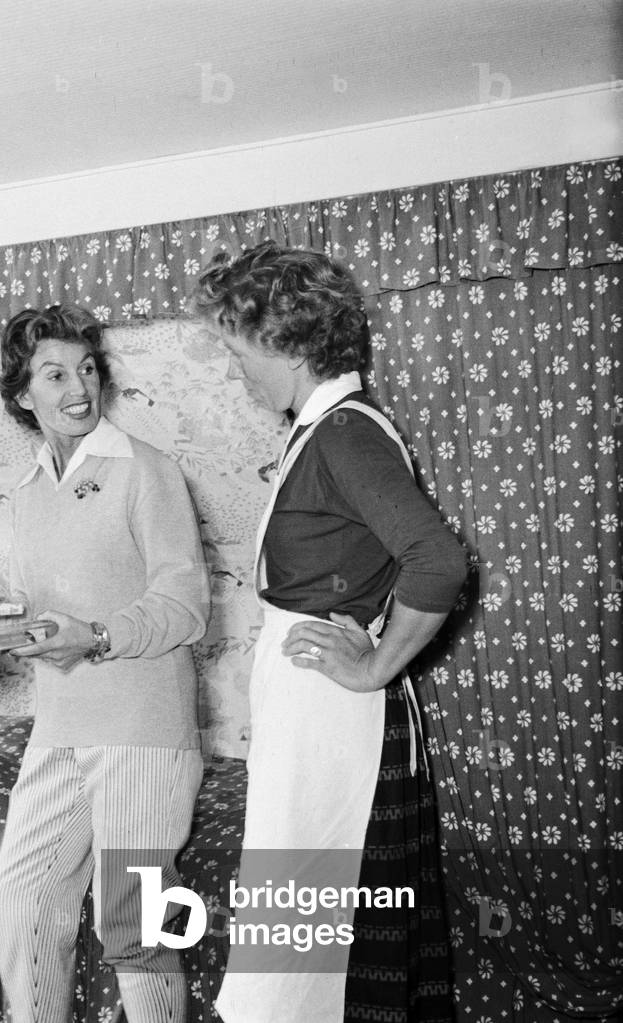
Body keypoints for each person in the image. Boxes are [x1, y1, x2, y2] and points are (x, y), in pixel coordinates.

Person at [191, 242, 466, 1023]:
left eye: (237, 349)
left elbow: (437, 561)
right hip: (308, 714)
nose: (235, 369)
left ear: (285, 344)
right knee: (304, 929)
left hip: (337, 722)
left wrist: (375, 665)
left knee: (323, 935)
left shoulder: (344, 433)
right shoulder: (321, 427)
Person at [0, 303, 210, 1023]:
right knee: (19, 904)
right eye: (54, 373)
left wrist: (99, 635)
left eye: (85, 367)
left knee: (136, 930)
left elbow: (184, 604)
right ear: (23, 394)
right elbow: (40, 607)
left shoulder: (146, 470)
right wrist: (4, 626)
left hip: (143, 728)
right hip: (60, 723)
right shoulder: (23, 493)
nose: (77, 385)